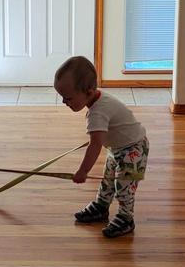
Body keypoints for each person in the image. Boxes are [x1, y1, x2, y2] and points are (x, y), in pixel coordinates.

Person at [54, 56, 149, 237]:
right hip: (118, 148)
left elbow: (95, 146)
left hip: (133, 150)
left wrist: (82, 172)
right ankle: (101, 207)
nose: (64, 102)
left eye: (68, 98)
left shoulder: (97, 112)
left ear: (88, 92)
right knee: (108, 180)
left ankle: (126, 218)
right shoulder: (98, 98)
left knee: (124, 186)